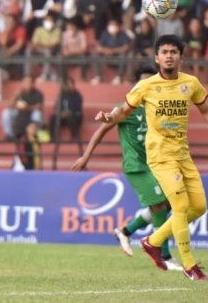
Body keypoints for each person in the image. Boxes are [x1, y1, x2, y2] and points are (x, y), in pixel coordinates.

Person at [95, 35, 208, 281]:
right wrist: (110, 117)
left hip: (183, 154)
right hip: (160, 156)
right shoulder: (146, 86)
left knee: (199, 208)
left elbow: (204, 108)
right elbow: (124, 110)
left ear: (181, 57)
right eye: (165, 51)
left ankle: (153, 241)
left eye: (174, 51)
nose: (169, 55)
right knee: (180, 206)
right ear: (157, 57)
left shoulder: (191, 83)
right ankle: (190, 265)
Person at [72, 66, 181, 271]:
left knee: (166, 204)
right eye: (143, 83)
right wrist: (86, 156)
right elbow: (104, 127)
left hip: (155, 164)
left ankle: (125, 232)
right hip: (136, 166)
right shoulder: (127, 109)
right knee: (159, 204)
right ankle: (164, 256)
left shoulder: (159, 109)